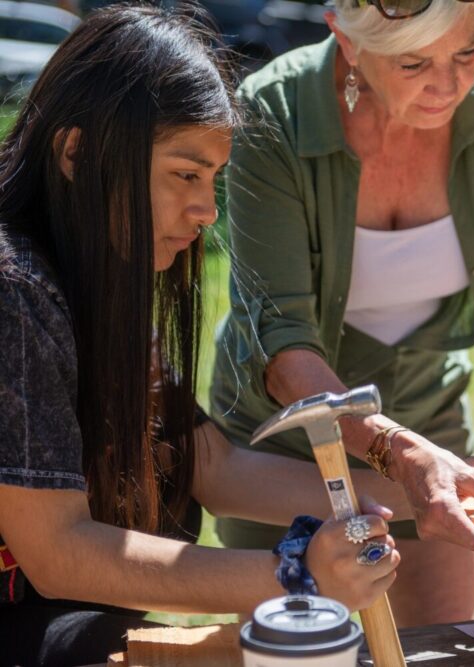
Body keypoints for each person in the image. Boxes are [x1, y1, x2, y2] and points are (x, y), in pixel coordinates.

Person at [209, 0, 474, 626]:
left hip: (428, 427)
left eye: (468, 52)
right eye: (414, 63)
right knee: (299, 652)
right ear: (347, 40)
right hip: (289, 447)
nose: (449, 84)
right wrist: (403, 456)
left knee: (441, 645)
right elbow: (282, 345)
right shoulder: (274, 114)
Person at [0, 7, 404, 665]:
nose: (207, 210)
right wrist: (295, 572)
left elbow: (213, 465)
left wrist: (425, 489)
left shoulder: (104, 275)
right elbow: (57, 552)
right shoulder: (13, 291)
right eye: (185, 174)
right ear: (77, 152)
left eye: (213, 178)